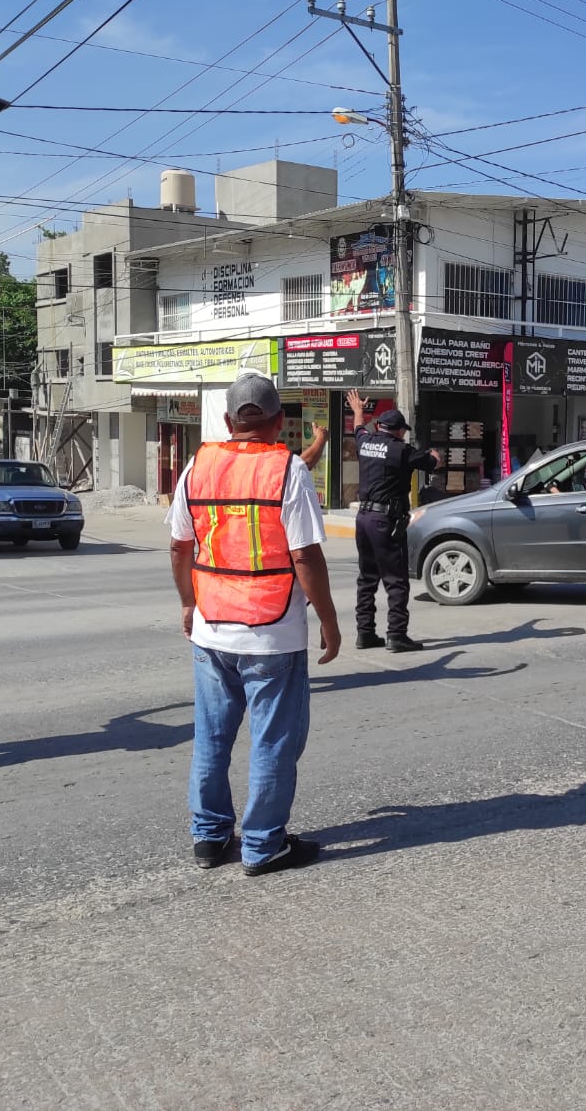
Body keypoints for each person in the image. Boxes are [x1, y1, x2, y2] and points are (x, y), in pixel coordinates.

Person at [167, 373, 341, 877]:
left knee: (211, 738)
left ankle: (210, 838)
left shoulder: (196, 466)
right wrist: (329, 620)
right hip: (273, 632)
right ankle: (263, 846)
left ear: (227, 421)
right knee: (273, 741)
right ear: (280, 422)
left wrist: (187, 601)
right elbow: (306, 555)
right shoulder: (287, 470)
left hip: (211, 624)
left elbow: (179, 547)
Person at [346, 388, 439, 653]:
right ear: (398, 431)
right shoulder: (401, 450)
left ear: (380, 427)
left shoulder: (365, 442)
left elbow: (359, 428)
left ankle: (365, 633)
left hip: (363, 519)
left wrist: (357, 410)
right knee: (396, 580)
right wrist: (434, 455)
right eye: (403, 431)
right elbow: (432, 463)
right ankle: (396, 635)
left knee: (367, 578)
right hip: (385, 522)